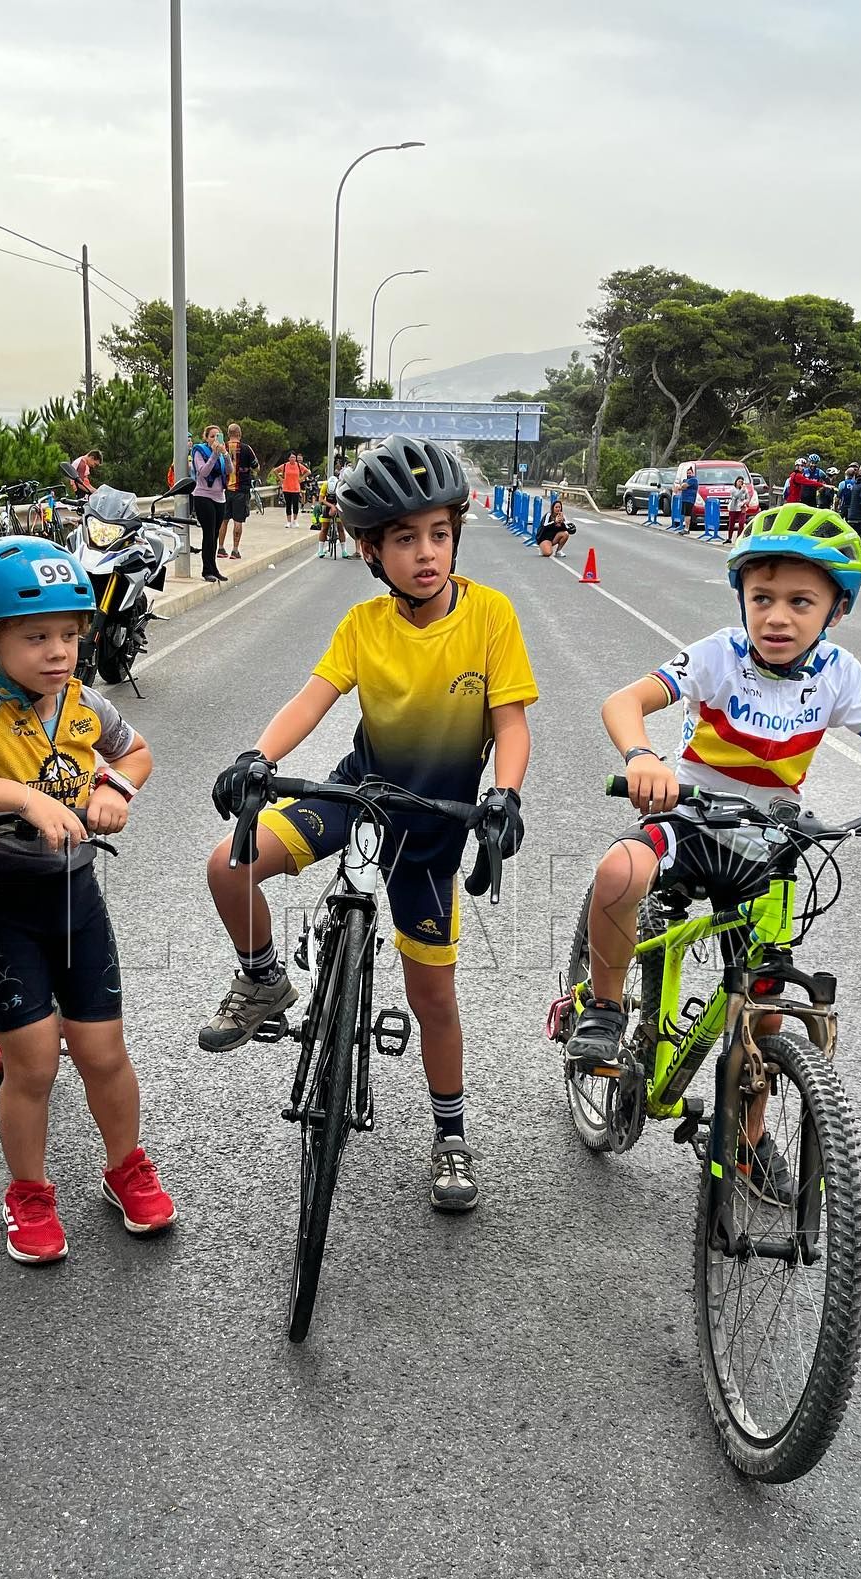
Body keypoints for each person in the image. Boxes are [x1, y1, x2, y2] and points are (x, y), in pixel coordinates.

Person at [565, 502, 861, 1198]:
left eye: (800, 602)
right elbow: (623, 702)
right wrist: (641, 756)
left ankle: (748, 1138)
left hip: (771, 840)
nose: (777, 617)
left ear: (835, 612)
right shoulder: (718, 654)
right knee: (619, 869)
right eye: (763, 599)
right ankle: (603, 1012)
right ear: (742, 600)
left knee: (767, 1001)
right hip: (690, 814)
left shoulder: (839, 671)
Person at [201, 435, 538, 1213]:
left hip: (433, 824)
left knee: (435, 1002)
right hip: (362, 792)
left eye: (439, 534)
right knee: (229, 863)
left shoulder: (490, 616)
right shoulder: (362, 625)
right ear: (370, 551)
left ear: (456, 532)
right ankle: (262, 979)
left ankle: (450, 1135)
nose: (426, 553)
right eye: (404, 539)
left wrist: (506, 796)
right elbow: (313, 697)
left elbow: (511, 726)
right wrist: (258, 754)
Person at [0, 536, 174, 1263]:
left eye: (71, 636)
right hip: (2, 903)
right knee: (34, 1065)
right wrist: (20, 798)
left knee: (104, 1051)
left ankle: (124, 1167)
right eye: (36, 636)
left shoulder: (82, 705)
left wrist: (116, 787)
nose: (58, 653)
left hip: (77, 898)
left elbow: (135, 752)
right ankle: (29, 1192)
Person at [190, 424, 227, 583]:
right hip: (203, 496)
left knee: (215, 534)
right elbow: (203, 471)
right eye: (212, 436)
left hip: (220, 496)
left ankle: (214, 568)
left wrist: (225, 455)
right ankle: (207, 570)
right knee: (209, 533)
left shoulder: (220, 454)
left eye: (217, 436)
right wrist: (213, 454)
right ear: (205, 438)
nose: (214, 439)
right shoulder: (200, 451)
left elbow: (230, 471)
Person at [220, 422, 258, 560]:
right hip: (241, 489)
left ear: (228, 434)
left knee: (224, 520)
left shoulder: (222, 447)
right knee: (238, 520)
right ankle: (235, 550)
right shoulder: (246, 448)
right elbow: (256, 466)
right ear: (239, 434)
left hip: (224, 490)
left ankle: (220, 548)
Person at [313, 479, 350, 558]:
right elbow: (321, 499)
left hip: (339, 504)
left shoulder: (340, 485)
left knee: (340, 528)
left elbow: (344, 499)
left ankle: (344, 551)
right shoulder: (325, 485)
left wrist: (336, 506)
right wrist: (331, 506)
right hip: (328, 505)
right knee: (324, 528)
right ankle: (320, 550)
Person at [279, 451, 303, 527]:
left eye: (294, 457)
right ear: (288, 458)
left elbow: (308, 472)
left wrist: (302, 478)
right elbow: (275, 471)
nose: (293, 459)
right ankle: (288, 521)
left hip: (296, 488)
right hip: (287, 488)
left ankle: (295, 520)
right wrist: (281, 479)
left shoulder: (298, 465)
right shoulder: (285, 465)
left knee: (295, 505)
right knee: (288, 505)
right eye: (291, 457)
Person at [725, 474, 750, 543]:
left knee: (741, 523)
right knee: (731, 524)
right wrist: (742, 490)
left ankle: (738, 538)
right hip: (734, 507)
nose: (740, 483)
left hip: (742, 508)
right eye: (739, 481)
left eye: (741, 482)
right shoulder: (732, 489)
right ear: (736, 482)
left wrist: (745, 501)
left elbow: (748, 498)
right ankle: (729, 538)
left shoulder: (744, 489)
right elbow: (736, 496)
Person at [673, 464, 699, 531]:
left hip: (690, 500)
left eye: (690, 473)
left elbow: (684, 486)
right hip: (684, 499)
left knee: (688, 514)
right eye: (687, 473)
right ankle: (683, 527)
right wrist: (679, 487)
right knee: (684, 514)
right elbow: (679, 487)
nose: (688, 474)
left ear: (693, 473)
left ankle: (687, 528)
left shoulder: (694, 480)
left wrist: (679, 487)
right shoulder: (686, 480)